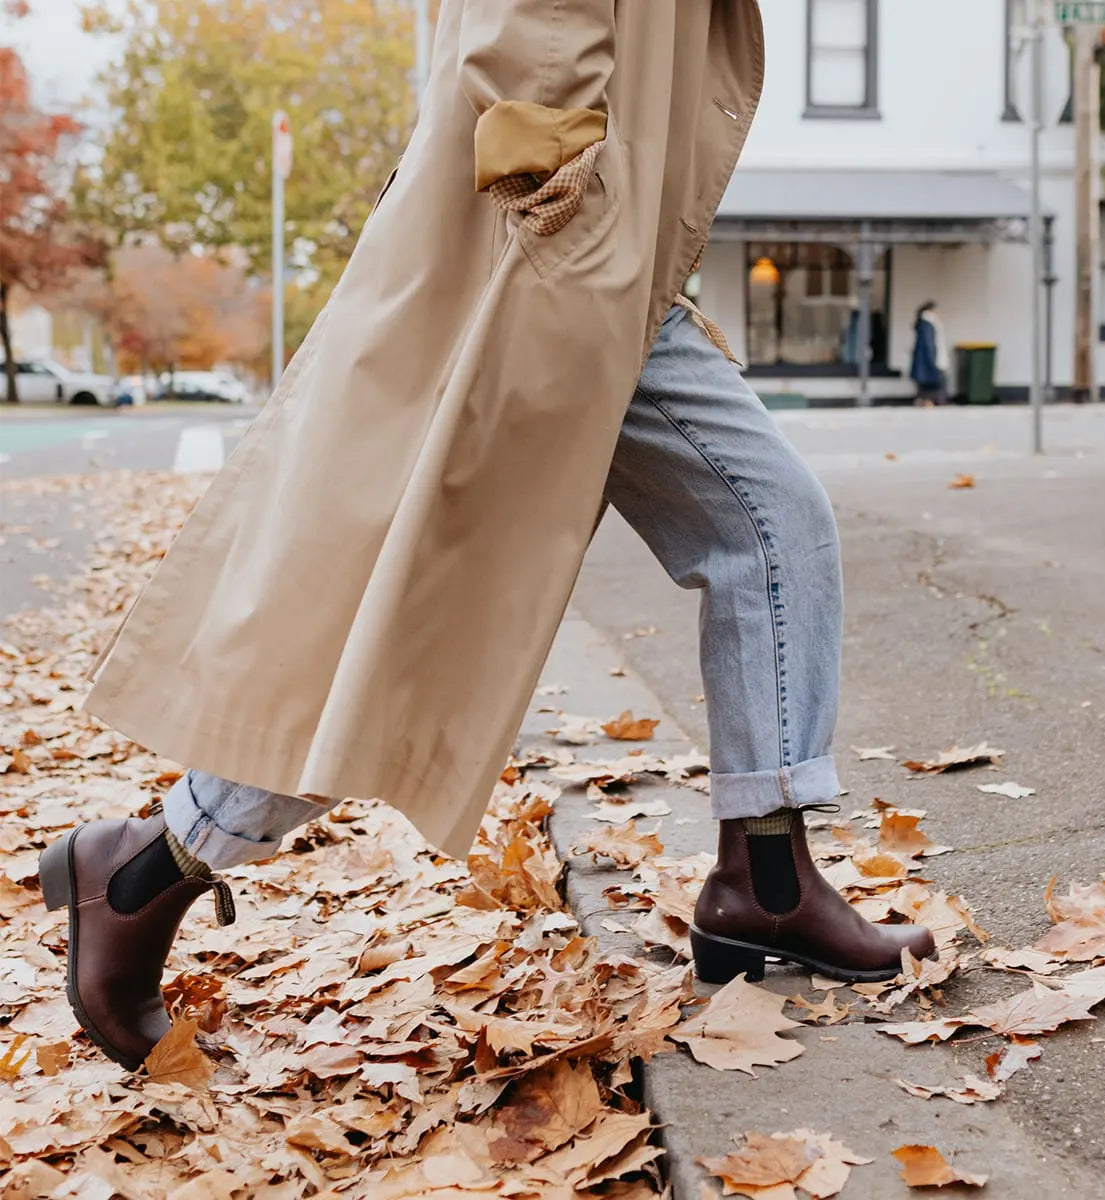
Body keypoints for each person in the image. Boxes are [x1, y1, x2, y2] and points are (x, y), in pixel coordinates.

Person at [38, 0, 936, 1072]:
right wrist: (565, 188)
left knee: (768, 528)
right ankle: (138, 872)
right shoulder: (554, 205)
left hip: (595, 251)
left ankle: (766, 882)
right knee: (415, 609)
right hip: (547, 247)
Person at [910, 300, 950, 406]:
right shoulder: (928, 324)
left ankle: (927, 401)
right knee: (933, 383)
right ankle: (930, 401)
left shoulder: (925, 323)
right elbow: (929, 344)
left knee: (927, 385)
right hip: (930, 360)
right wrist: (933, 361)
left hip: (927, 360)